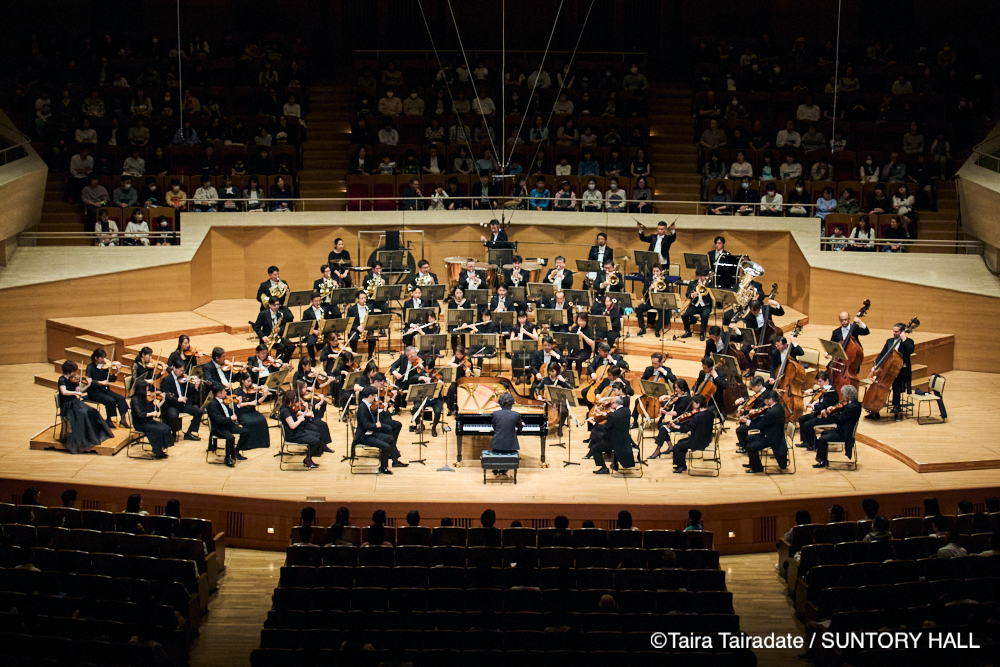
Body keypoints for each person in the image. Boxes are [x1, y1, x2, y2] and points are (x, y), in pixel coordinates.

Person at [58, 360, 114, 454]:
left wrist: (87, 385)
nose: (74, 373)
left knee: (92, 411)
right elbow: (64, 392)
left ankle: (90, 437)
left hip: (75, 402)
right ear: (69, 371)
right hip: (67, 404)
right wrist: (75, 393)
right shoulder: (61, 380)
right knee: (82, 414)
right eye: (73, 371)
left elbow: (79, 390)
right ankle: (82, 441)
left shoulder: (72, 379)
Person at [867, 323, 914, 419]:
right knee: (880, 386)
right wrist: (876, 365)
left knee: (897, 386)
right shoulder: (889, 341)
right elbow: (882, 354)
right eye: (893, 331)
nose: (894, 333)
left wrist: (904, 339)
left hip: (901, 371)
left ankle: (897, 408)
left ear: (902, 332)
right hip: (887, 370)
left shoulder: (908, 341)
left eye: (896, 331)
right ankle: (874, 409)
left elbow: (910, 351)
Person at [354, 386, 401, 474]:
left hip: (370, 433)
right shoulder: (362, 408)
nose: (375, 398)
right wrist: (375, 425)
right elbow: (365, 425)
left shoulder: (367, 405)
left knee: (390, 438)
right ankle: (383, 467)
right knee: (386, 446)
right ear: (370, 396)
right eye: (374, 396)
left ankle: (395, 461)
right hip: (364, 436)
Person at [280, 391, 326, 470]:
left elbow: (298, 417)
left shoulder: (290, 408)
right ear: (290, 400)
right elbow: (292, 426)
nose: (296, 400)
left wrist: (305, 410)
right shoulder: (285, 411)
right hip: (293, 435)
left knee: (318, 435)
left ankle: (309, 457)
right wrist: (300, 420)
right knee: (315, 440)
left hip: (297, 431)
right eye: (294, 399)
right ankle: (308, 459)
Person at [743, 390, 787, 473]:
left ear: (770, 399)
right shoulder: (780, 407)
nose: (764, 402)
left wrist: (747, 421)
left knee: (751, 447)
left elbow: (760, 425)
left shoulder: (771, 412)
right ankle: (753, 463)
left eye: (765, 400)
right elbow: (766, 421)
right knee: (749, 438)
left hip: (771, 438)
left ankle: (757, 468)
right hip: (777, 435)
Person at [206, 383, 249, 467]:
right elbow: (218, 420)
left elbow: (230, 413)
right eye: (224, 391)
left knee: (245, 432)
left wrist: (237, 406)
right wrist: (230, 418)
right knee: (230, 437)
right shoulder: (212, 404)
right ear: (218, 394)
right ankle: (228, 458)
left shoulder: (224, 401)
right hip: (218, 428)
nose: (226, 393)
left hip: (228, 425)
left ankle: (236, 452)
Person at [85, 349, 129, 429]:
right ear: (96, 358)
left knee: (121, 398)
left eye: (104, 358)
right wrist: (99, 382)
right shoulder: (90, 367)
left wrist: (117, 373)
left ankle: (123, 419)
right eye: (102, 358)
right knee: (110, 400)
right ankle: (109, 420)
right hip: (94, 392)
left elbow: (110, 379)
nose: (104, 360)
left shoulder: (103, 367)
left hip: (105, 390)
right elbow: (88, 381)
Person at [160, 360, 204, 441]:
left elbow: (189, 393)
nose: (181, 373)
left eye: (182, 371)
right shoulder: (167, 380)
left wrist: (195, 388)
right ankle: (173, 433)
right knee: (173, 415)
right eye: (180, 370)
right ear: (174, 368)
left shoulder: (183, 379)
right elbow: (165, 396)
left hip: (182, 405)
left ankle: (189, 433)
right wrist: (177, 399)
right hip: (172, 405)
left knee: (199, 412)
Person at [589, 396, 633, 474]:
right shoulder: (627, 411)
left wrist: (593, 423)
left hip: (615, 442)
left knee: (595, 448)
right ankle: (614, 464)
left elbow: (604, 429)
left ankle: (604, 468)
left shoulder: (613, 416)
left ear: (615, 403)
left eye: (611, 404)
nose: (610, 406)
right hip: (625, 439)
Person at [796, 372, 839, 451]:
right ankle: (806, 441)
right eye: (818, 382)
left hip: (828, 416)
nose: (819, 384)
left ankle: (813, 444)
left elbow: (823, 406)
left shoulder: (831, 392)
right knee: (802, 419)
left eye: (820, 381)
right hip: (819, 412)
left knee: (808, 424)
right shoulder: (825, 388)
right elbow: (819, 391)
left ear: (826, 380)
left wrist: (812, 406)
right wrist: (811, 390)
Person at [234, 375, 270, 450]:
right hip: (242, 413)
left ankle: (261, 443)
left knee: (262, 420)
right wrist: (250, 403)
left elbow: (257, 402)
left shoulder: (253, 390)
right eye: (248, 381)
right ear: (243, 381)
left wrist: (264, 396)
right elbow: (238, 405)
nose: (250, 383)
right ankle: (249, 444)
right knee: (249, 423)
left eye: (250, 381)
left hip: (252, 411)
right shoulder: (237, 391)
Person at [681, 269, 713, 341]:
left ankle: (702, 333)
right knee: (684, 315)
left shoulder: (710, 284)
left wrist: (704, 287)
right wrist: (692, 295)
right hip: (694, 305)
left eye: (703, 276)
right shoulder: (692, 283)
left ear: (706, 276)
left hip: (705, 306)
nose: (701, 278)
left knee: (705, 315)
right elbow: (687, 294)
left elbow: (712, 295)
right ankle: (688, 332)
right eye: (699, 276)